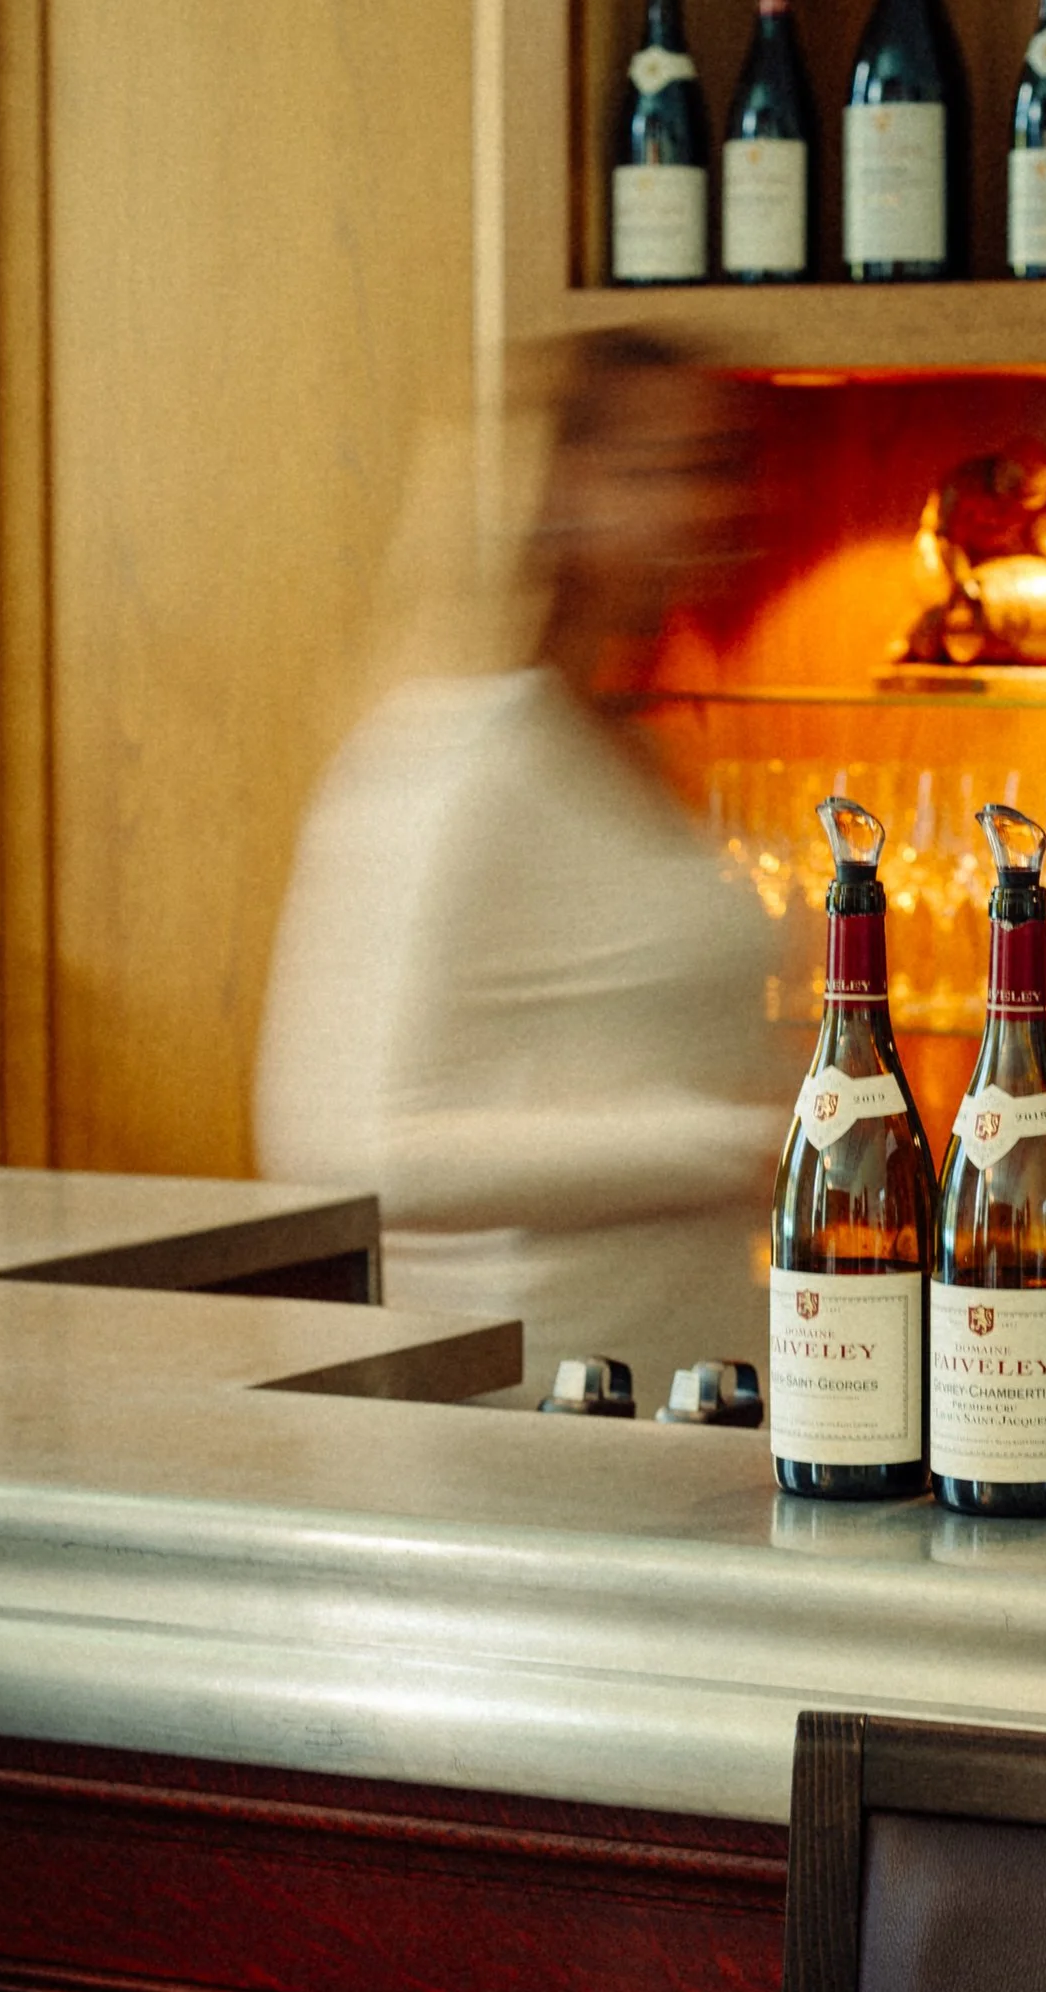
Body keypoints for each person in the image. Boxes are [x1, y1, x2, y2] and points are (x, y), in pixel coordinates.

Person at [255, 334, 797, 1405]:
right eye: (667, 471)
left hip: (685, 1394)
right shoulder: (459, 758)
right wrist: (729, 1144)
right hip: (533, 1406)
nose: (715, 506)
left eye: (727, 467)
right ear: (558, 493)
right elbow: (340, 1147)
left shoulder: (631, 741)